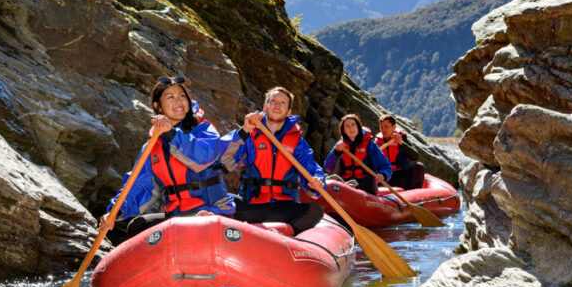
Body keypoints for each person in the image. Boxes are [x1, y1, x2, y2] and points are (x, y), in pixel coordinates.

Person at [106, 76, 235, 238]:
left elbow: (202, 157)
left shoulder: (205, 130)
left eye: (182, 96)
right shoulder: (152, 147)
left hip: (212, 210)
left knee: (195, 225)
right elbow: (139, 184)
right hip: (177, 214)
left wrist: (172, 134)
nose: (179, 101)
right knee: (138, 226)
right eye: (171, 97)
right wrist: (115, 210)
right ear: (157, 107)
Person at [222, 86, 326, 235]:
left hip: (283, 208)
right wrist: (244, 131)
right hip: (250, 205)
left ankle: (285, 240)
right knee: (217, 200)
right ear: (265, 106)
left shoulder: (297, 141)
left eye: (283, 103)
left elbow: (311, 167)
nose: (277, 105)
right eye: (273, 101)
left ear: (289, 111)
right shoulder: (250, 132)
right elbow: (223, 160)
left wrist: (316, 182)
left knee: (315, 211)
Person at [323, 114, 392, 195]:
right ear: (344, 130)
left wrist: (383, 174)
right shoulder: (340, 146)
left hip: (365, 185)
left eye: (353, 125)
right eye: (347, 126)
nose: (351, 128)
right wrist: (336, 153)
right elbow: (328, 168)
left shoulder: (369, 144)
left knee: (366, 182)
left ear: (358, 127)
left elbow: (386, 166)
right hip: (346, 184)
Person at [374, 114, 425, 190]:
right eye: (381, 127)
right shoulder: (377, 142)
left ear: (394, 127)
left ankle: (415, 193)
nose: (383, 130)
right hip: (387, 175)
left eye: (386, 127)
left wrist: (401, 143)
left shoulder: (402, 138)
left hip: (402, 173)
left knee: (419, 166)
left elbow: (415, 156)